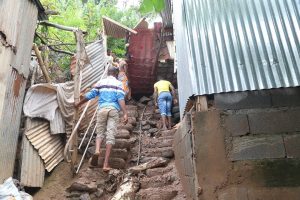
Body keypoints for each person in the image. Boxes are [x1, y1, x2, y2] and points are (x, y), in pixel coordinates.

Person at [75, 66, 128, 172]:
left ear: (108, 73)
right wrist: (125, 113)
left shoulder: (101, 82)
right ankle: (105, 164)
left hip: (102, 109)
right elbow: (120, 98)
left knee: (100, 133)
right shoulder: (118, 84)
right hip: (113, 110)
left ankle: (98, 150)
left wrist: (78, 104)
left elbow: (90, 95)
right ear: (116, 74)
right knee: (110, 136)